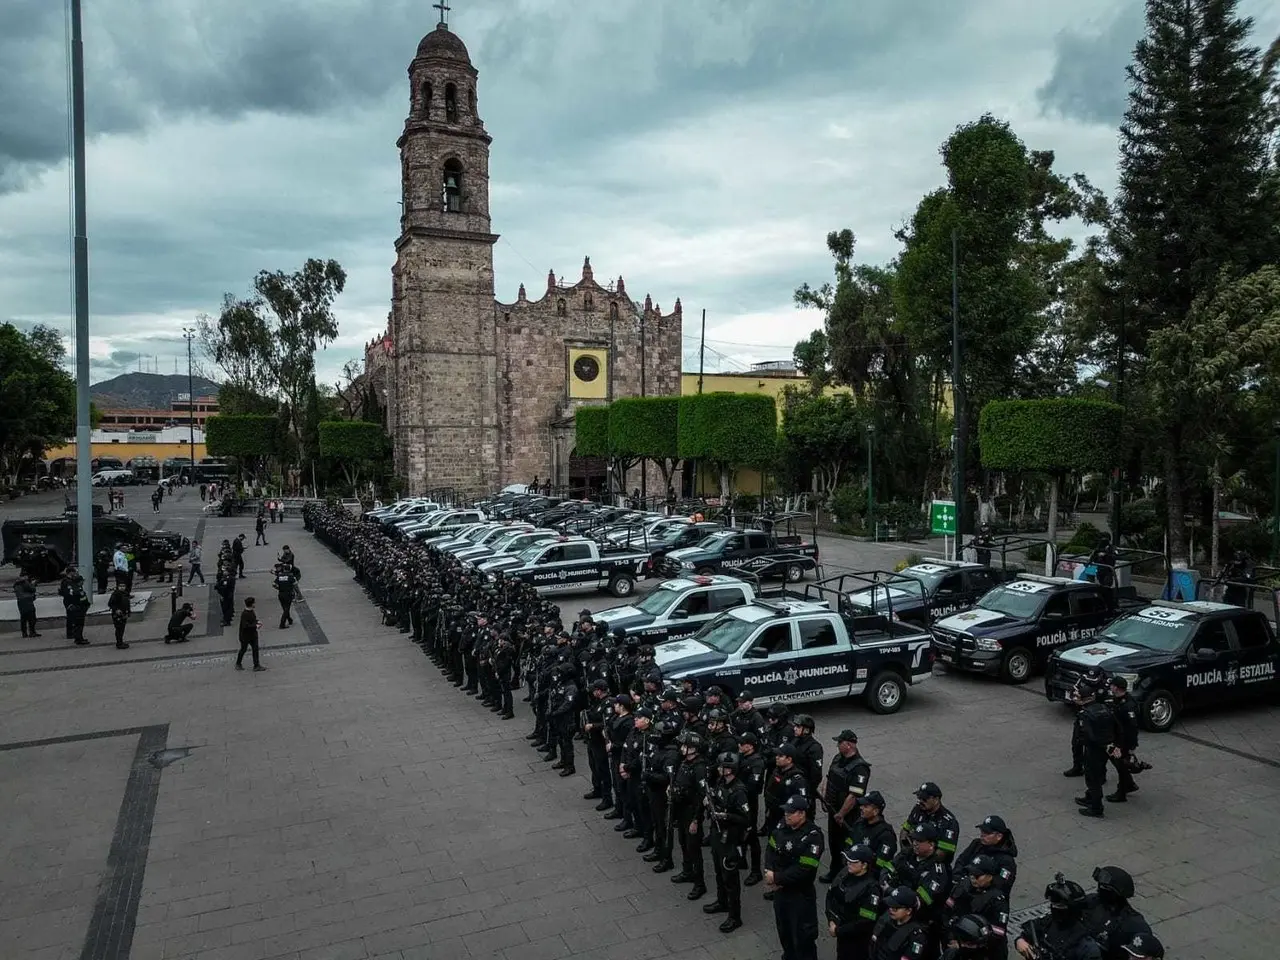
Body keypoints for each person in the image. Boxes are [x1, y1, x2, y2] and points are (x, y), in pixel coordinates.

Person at [765, 794, 825, 960]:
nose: (787, 815)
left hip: (800, 896)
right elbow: (770, 849)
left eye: (791, 813)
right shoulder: (782, 826)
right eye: (786, 812)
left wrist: (777, 877)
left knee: (803, 938)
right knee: (784, 932)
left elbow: (804, 869)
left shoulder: (813, 837)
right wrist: (769, 871)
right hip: (781, 893)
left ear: (802, 814)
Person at [704, 751, 750, 933]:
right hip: (718, 834)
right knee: (718, 871)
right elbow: (716, 797)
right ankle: (721, 902)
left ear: (730, 770)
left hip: (731, 838)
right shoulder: (721, 782)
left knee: (730, 878)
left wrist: (726, 815)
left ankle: (734, 916)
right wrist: (709, 802)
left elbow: (746, 818)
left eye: (722, 767)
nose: (719, 769)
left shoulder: (739, 791)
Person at [819, 729, 872, 882]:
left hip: (848, 815)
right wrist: (824, 797)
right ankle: (834, 871)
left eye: (839, 742)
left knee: (846, 845)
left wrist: (841, 814)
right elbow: (828, 777)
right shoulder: (838, 758)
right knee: (833, 843)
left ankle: (847, 875)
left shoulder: (860, 768)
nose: (837, 745)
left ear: (848, 745)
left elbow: (854, 796)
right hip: (833, 809)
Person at [1014, 874, 1101, 960]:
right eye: (1053, 905)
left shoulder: (1085, 945)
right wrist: (1020, 941)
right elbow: (1029, 930)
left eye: (1060, 906)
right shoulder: (1050, 922)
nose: (1054, 908)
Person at [824, 845, 881, 960]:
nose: (848, 863)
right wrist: (831, 920)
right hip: (841, 931)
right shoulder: (845, 874)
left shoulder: (871, 889)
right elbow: (830, 896)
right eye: (848, 860)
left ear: (864, 865)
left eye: (853, 861)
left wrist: (838, 931)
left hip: (857, 941)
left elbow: (865, 922)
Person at [1073, 679, 1117, 818]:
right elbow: (1116, 727)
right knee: (1097, 775)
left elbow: (1088, 735)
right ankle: (1089, 797)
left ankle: (1096, 808)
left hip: (1094, 749)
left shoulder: (1085, 714)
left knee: (1092, 779)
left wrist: (1082, 743)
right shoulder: (1104, 708)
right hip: (1106, 747)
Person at [1105, 677, 1141, 803]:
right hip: (1116, 738)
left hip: (1123, 742)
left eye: (1112, 685)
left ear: (1116, 687)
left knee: (1121, 765)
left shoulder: (1128, 705)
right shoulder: (1117, 700)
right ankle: (1129, 784)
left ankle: (1121, 793)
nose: (1110, 687)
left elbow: (1132, 728)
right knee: (1117, 762)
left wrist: (1131, 746)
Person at [59, 566, 90, 646]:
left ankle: (75, 634)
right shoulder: (66, 581)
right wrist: (70, 604)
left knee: (74, 619)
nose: (76, 573)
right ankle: (71, 634)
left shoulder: (72, 581)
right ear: (71, 572)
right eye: (75, 572)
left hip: (75, 603)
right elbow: (67, 593)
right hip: (70, 602)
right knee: (71, 618)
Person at [236, 597, 265, 671]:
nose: (255, 604)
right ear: (251, 604)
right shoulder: (245, 614)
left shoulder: (251, 611)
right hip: (245, 636)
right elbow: (245, 626)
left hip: (253, 635)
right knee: (243, 649)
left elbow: (252, 620)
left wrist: (257, 621)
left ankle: (256, 665)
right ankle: (238, 663)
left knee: (255, 649)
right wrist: (256, 625)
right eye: (254, 603)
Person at [273, 562, 297, 628]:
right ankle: (282, 624)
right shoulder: (291, 576)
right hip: (288, 594)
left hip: (281, 594)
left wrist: (279, 588)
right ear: (290, 569)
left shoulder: (279, 576)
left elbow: (274, 584)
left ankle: (289, 619)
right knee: (287, 609)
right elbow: (295, 585)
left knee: (285, 608)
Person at [108, 584, 131, 650]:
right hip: (117, 615)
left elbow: (127, 603)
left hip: (124, 614)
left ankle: (121, 642)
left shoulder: (125, 594)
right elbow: (110, 604)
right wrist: (116, 609)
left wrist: (128, 612)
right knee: (119, 629)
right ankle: (119, 643)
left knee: (122, 629)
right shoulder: (115, 594)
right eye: (120, 586)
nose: (122, 587)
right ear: (118, 587)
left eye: (123, 586)